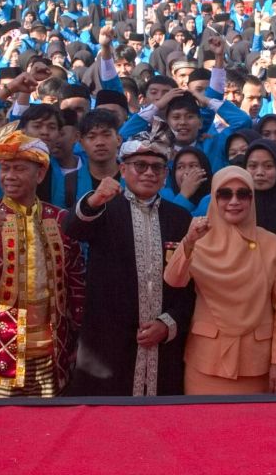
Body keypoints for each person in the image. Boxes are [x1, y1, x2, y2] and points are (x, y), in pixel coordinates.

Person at [63, 120, 195, 397]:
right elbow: (72, 229)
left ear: (165, 174)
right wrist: (95, 199)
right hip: (107, 346)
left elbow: (190, 285)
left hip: (163, 345)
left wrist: (167, 324)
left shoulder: (180, 218)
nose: (148, 172)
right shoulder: (104, 209)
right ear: (123, 170)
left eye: (156, 167)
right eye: (140, 165)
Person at [0, 122, 84, 397]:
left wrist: (80, 339)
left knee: (48, 432)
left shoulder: (59, 219)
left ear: (41, 174)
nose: (9, 176)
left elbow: (76, 283)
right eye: (5, 168)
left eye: (20, 168)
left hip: (52, 352)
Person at [164, 166, 276, 395]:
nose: (234, 201)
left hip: (256, 362)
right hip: (206, 361)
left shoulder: (272, 244)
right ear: (213, 198)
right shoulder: (198, 240)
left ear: (252, 199)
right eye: (225, 194)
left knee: (253, 430)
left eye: (242, 194)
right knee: (205, 428)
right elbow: (174, 281)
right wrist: (189, 241)